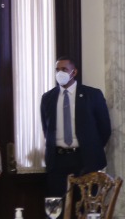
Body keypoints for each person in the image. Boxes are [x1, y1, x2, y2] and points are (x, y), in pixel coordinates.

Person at [40, 56, 112, 198]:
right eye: (57, 70)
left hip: (85, 159)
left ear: (74, 72)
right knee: (58, 204)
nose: (60, 73)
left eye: (64, 69)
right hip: (58, 160)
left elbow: (104, 128)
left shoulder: (92, 95)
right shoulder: (48, 98)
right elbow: (46, 129)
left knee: (85, 204)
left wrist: (91, 147)